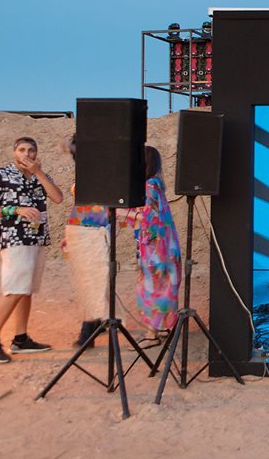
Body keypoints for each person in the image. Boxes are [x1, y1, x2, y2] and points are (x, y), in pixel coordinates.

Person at [0, 137, 64, 363]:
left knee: (26, 290)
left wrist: (39, 174)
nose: (27, 154)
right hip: (14, 238)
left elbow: (57, 198)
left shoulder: (40, 175)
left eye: (31, 150)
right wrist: (16, 210)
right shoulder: (1, 174)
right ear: (14, 152)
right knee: (16, 288)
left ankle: (21, 338)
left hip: (37, 239)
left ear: (37, 153)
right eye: (22, 150)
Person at [122, 146, 181, 343]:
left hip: (156, 248)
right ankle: (161, 327)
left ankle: (151, 333)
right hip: (163, 246)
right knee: (162, 285)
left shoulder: (149, 186)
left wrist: (119, 212)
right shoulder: (155, 184)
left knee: (151, 287)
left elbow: (147, 217)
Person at [60, 135, 109, 348]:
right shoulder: (93, 172)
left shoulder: (98, 171)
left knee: (90, 278)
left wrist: (72, 147)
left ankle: (88, 330)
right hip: (85, 227)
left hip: (92, 229)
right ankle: (97, 321)